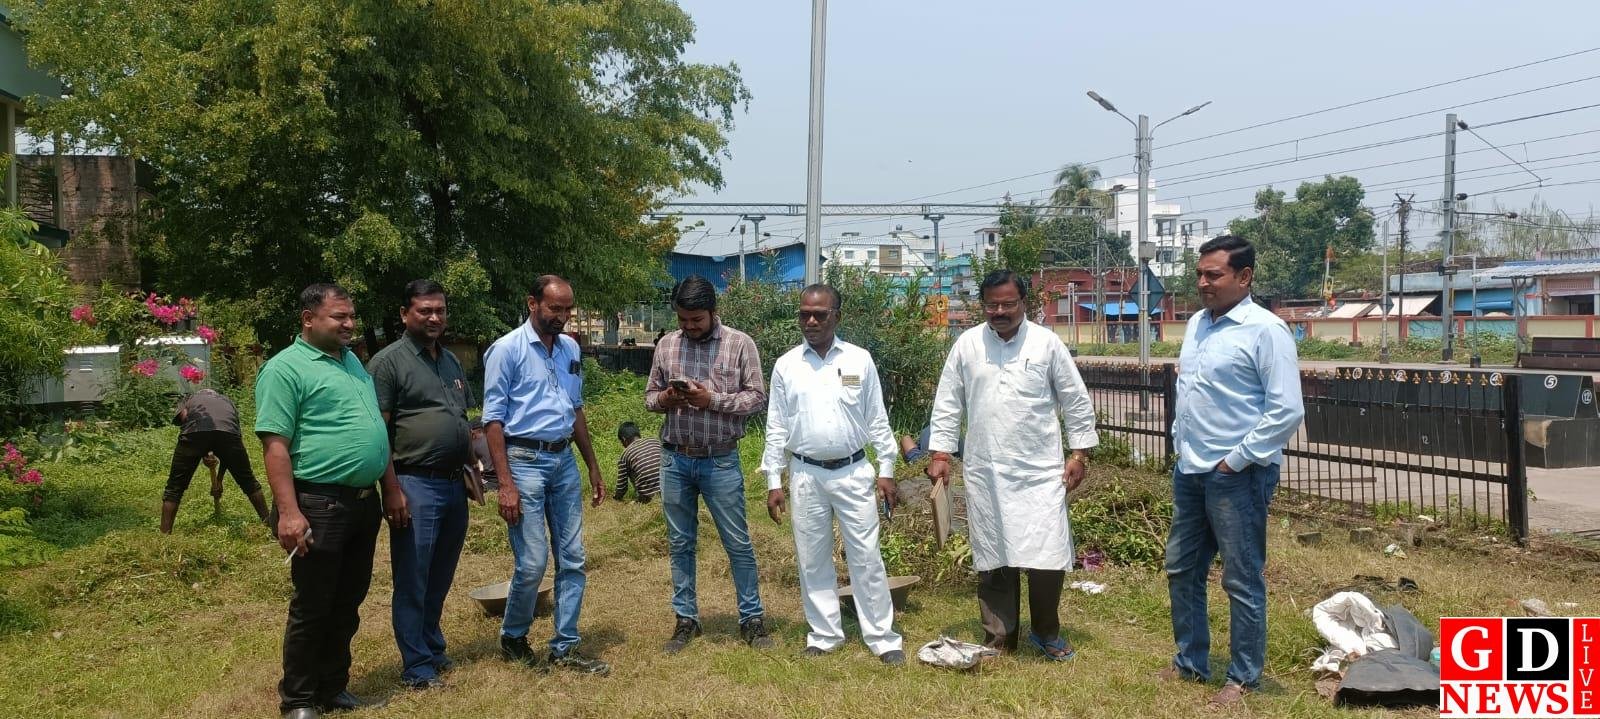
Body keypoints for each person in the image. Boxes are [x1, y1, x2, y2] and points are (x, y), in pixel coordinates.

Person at [1161, 235, 1304, 709]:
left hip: (1238, 474)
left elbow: (1286, 410)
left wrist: (1234, 460)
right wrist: (1182, 446)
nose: (1203, 283)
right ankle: (1190, 661)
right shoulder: (1198, 324)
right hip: (1191, 469)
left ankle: (1243, 678)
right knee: (1182, 568)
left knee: (1240, 578)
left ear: (1244, 277)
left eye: (1214, 275)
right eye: (1199, 274)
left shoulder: (1266, 331)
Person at [926, 269, 1098, 661]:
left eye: (1008, 304)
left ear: (1024, 303)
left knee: (1047, 553)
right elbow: (948, 401)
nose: (1000, 311)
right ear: (983, 305)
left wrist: (1079, 454)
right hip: (986, 469)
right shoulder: (968, 345)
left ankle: (1046, 633)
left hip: (1041, 471)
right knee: (993, 553)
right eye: (992, 305)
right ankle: (1000, 638)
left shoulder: (1046, 344)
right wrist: (940, 454)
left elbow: (1074, 398)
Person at [255, 283, 409, 719]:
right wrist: (288, 513)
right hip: (318, 503)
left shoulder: (352, 362)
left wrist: (390, 486)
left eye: (351, 316)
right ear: (308, 319)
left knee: (347, 601)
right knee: (314, 605)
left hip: (362, 503)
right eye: (339, 317)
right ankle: (299, 700)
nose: (349, 324)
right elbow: (275, 446)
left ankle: (332, 687)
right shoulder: (285, 370)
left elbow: (375, 430)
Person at [761, 284, 905, 665]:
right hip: (805, 474)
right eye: (804, 314)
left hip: (853, 471)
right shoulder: (787, 366)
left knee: (866, 556)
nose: (811, 321)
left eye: (820, 314)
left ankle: (882, 637)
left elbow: (877, 419)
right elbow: (776, 427)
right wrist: (774, 480)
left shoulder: (859, 360)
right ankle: (824, 635)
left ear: (836, 317)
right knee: (812, 558)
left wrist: (887, 469)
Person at [482, 274, 610, 676]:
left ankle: (565, 645)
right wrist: (504, 484)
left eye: (568, 309)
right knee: (534, 560)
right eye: (555, 308)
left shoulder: (570, 347)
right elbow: (492, 421)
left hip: (563, 460)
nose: (563, 316)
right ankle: (514, 635)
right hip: (523, 461)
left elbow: (575, 408)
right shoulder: (507, 350)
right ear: (532, 303)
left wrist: (592, 465)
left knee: (573, 558)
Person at [645, 275, 772, 654]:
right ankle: (686, 619)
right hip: (675, 458)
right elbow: (649, 397)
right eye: (683, 319)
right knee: (680, 543)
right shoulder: (667, 345)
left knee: (737, 542)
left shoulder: (739, 343)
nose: (688, 326)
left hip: (720, 459)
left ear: (713, 312)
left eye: (696, 320)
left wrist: (712, 400)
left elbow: (757, 398)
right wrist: (666, 399)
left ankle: (751, 619)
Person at [367, 280, 472, 691]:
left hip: (453, 484)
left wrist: (471, 468)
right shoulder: (388, 363)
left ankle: (432, 644)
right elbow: (378, 433)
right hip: (414, 483)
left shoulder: (450, 360)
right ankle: (416, 666)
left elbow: (459, 419)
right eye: (425, 310)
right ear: (404, 314)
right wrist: (391, 488)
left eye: (440, 310)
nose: (434, 317)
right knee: (413, 577)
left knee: (440, 574)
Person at [160, 388, 269, 533]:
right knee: (248, 481)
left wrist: (203, 451)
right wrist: (218, 478)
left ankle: (164, 534)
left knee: (174, 487)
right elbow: (228, 447)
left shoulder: (190, 399)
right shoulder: (227, 401)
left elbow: (184, 417)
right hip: (229, 434)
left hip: (194, 434)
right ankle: (269, 524)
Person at [613, 421, 662, 502]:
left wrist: (616, 498)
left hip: (648, 498)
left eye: (621, 442)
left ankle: (642, 496)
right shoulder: (655, 441)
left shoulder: (625, 454)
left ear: (624, 439)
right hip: (668, 489)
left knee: (630, 467)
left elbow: (622, 487)